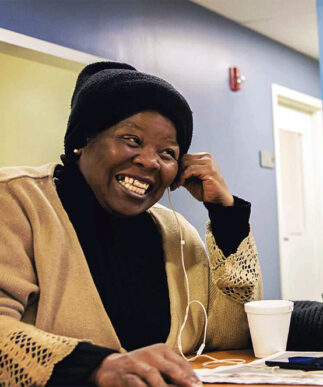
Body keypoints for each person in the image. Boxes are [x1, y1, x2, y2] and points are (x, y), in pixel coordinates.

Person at [0, 62, 262, 386]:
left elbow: (232, 334)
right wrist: (96, 368)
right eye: (132, 140)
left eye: (167, 153)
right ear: (84, 137)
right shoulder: (16, 200)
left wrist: (226, 216)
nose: (150, 161)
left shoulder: (176, 233)